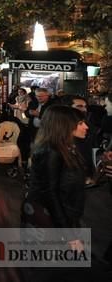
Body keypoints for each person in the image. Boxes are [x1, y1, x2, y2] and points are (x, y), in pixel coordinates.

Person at [23, 105, 88, 250]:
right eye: (80, 123)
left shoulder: (67, 146)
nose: (86, 127)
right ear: (64, 125)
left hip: (63, 215)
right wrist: (69, 234)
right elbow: (50, 194)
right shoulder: (51, 151)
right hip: (49, 217)